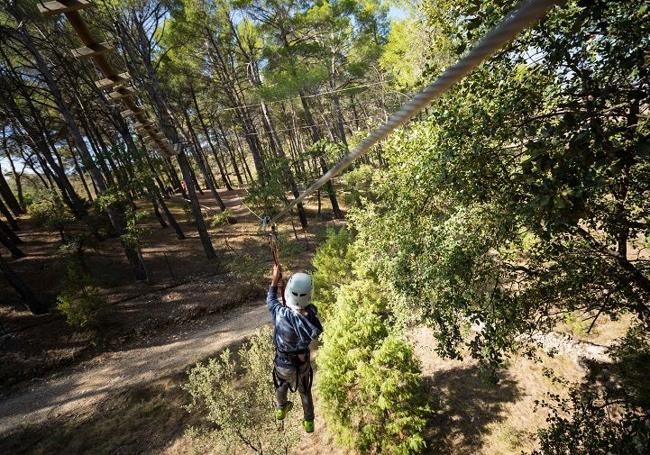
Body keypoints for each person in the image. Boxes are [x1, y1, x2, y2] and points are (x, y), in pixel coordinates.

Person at [267, 263, 323, 433]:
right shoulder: (310, 318)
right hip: (302, 365)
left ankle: (280, 407)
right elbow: (309, 311)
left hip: (283, 364)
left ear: (288, 292)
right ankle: (309, 421)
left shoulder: (279, 312)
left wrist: (275, 279)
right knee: (304, 391)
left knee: (281, 385)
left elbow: (270, 300)